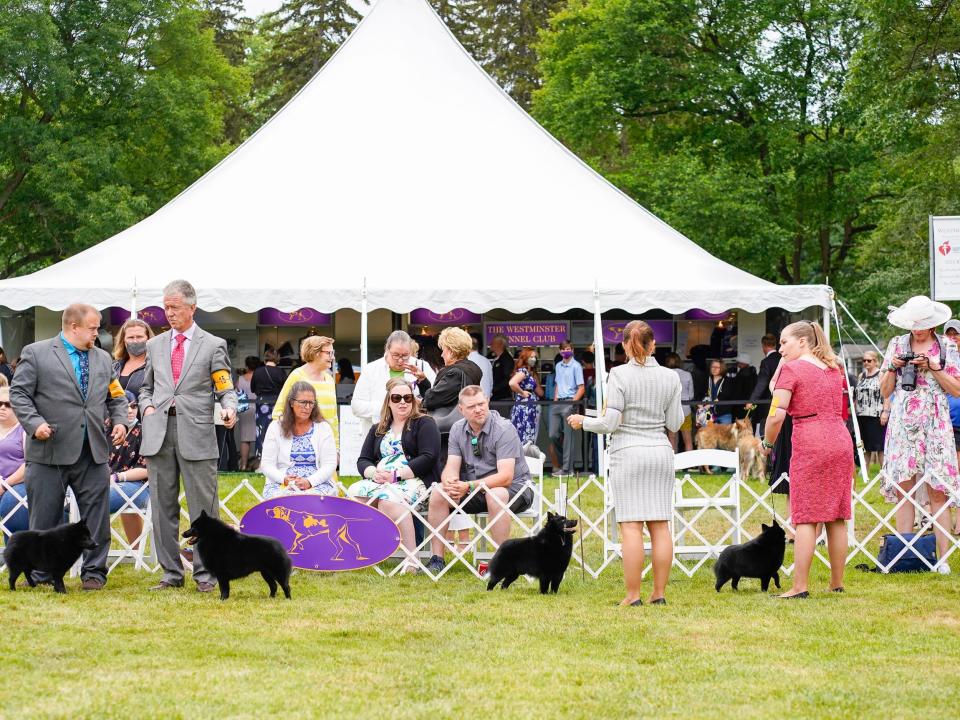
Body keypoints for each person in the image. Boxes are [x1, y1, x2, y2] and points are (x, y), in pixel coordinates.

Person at [10, 303, 128, 590]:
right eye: (93, 327)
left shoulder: (102, 359)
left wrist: (121, 421)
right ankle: (40, 575)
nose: (98, 333)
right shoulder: (36, 353)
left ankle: (94, 573)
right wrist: (34, 423)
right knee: (45, 517)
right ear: (73, 327)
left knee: (96, 518)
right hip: (49, 450)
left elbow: (117, 397)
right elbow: (19, 393)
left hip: (93, 452)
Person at [567, 321, 683, 606]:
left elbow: (610, 423)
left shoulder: (617, 375)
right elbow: (675, 423)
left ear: (623, 346)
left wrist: (584, 422)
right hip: (659, 451)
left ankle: (633, 595)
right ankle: (659, 594)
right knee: (660, 525)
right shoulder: (671, 377)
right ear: (653, 344)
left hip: (628, 453)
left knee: (631, 527)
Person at [139, 279, 237, 592]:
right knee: (162, 506)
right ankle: (170, 573)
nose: (168, 313)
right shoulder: (154, 345)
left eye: (175, 307)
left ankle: (206, 574)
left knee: (204, 510)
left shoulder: (213, 345)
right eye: (165, 307)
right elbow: (145, 387)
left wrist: (229, 409)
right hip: (159, 433)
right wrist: (147, 407)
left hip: (197, 434)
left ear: (192, 308)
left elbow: (225, 387)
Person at [760, 320, 854, 597]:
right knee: (837, 516)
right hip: (840, 438)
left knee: (806, 517)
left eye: (784, 342)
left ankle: (799, 586)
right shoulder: (833, 368)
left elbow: (776, 413)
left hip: (811, 440)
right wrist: (784, 360)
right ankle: (836, 582)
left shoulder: (792, 368)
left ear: (802, 341)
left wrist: (767, 442)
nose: (780, 349)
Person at [879, 296, 960, 571]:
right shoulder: (896, 344)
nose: (919, 328)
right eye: (914, 323)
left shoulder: (947, 346)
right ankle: (906, 555)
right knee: (905, 489)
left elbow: (957, 389)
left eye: (924, 323)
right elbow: (885, 390)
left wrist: (933, 367)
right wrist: (894, 366)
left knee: (938, 492)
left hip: (936, 420)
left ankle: (944, 559)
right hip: (903, 419)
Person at [424, 386, 534, 574]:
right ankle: (437, 559)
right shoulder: (457, 429)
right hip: (476, 488)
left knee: (496, 494)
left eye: (481, 404)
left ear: (488, 401)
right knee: (439, 492)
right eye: (472, 406)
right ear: (461, 410)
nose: (478, 409)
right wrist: (451, 482)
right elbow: (451, 465)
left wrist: (468, 486)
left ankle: (504, 562)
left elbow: (505, 477)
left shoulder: (503, 428)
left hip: (516, 489)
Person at [350, 377, 441, 571]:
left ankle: (412, 559)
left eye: (407, 398)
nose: (402, 402)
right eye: (397, 398)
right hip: (382, 479)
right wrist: (373, 473)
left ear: (414, 401)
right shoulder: (378, 428)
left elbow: (429, 456)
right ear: (388, 402)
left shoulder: (425, 423)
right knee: (355, 495)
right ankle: (362, 553)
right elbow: (363, 459)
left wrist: (396, 475)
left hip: (414, 479)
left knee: (388, 500)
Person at [352, 330, 437, 439]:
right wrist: (388, 407)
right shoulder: (371, 369)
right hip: (378, 437)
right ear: (387, 349)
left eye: (405, 355)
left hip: (414, 436)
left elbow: (435, 400)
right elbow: (356, 406)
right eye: (396, 355)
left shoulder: (422, 366)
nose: (401, 360)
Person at [260, 381, 337, 499]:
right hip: (282, 482)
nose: (307, 407)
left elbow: (330, 464)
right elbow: (266, 464)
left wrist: (310, 482)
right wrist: (284, 479)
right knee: (283, 499)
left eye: (311, 403)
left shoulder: (323, 427)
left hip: (317, 482)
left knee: (310, 499)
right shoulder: (275, 426)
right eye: (303, 402)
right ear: (291, 402)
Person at [271, 336, 339, 448]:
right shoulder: (297, 376)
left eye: (333, 353)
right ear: (315, 353)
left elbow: (334, 418)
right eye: (329, 353)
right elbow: (278, 412)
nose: (333, 357)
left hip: (326, 444)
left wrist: (336, 448)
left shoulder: (329, 379)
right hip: (300, 446)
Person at [107, 391, 149, 546]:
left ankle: (96, 550)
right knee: (70, 497)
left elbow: (148, 469)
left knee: (95, 500)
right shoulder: (106, 428)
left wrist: (117, 477)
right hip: (105, 483)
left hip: (140, 487)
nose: (131, 411)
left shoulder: (146, 430)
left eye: (134, 406)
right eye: (126, 407)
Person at [421, 327, 483, 428]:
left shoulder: (455, 373)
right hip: (466, 425)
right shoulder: (472, 368)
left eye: (443, 350)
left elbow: (432, 399)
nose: (441, 355)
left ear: (451, 352)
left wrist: (420, 401)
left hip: (450, 430)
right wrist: (423, 381)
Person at [547, 341, 584, 477]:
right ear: (560, 350)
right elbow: (557, 384)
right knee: (553, 434)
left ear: (572, 349)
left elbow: (581, 387)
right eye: (563, 349)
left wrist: (573, 403)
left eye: (568, 349)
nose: (565, 351)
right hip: (558, 403)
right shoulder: (558, 366)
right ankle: (565, 463)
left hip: (569, 401)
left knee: (569, 437)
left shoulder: (576, 366)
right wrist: (555, 400)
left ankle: (568, 469)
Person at [0, 385, 28, 534]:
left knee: (11, 502)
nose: (2, 408)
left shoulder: (25, 430)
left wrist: (4, 486)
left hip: (18, 484)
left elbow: (28, 465)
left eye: (8, 404)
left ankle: (16, 551)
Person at [854, 350, 887, 468]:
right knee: (864, 447)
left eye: (869, 360)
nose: (866, 363)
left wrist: (885, 411)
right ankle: (865, 473)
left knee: (879, 447)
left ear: (876, 361)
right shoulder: (861, 376)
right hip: (862, 415)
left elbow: (886, 394)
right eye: (864, 360)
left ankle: (884, 474)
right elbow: (857, 395)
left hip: (877, 415)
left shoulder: (881, 374)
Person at [252, 349, 285, 459]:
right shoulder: (281, 372)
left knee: (261, 430)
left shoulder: (258, 371)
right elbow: (285, 390)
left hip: (261, 403)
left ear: (265, 357)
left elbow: (253, 388)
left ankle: (261, 458)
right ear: (277, 358)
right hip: (277, 403)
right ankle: (276, 457)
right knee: (277, 431)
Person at [745, 334, 781, 434]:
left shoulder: (766, 362)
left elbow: (762, 383)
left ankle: (766, 449)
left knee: (766, 430)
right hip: (783, 401)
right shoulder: (783, 359)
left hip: (768, 403)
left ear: (764, 346)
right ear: (775, 345)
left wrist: (752, 400)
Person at [509, 346, 543, 445]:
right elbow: (512, 383)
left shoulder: (529, 372)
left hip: (530, 407)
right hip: (524, 408)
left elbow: (540, 392)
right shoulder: (523, 371)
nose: (534, 359)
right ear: (525, 358)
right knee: (524, 434)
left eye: (535, 357)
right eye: (531, 357)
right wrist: (522, 392)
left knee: (528, 435)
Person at [112, 318, 154, 398]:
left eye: (139, 337)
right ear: (124, 341)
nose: (135, 341)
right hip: (118, 410)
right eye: (131, 337)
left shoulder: (155, 366)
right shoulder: (115, 366)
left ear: (148, 338)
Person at [664, 352, 694, 452]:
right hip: (685, 409)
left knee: (672, 437)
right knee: (688, 439)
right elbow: (691, 395)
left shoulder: (664, 375)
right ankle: (690, 464)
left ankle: (673, 464)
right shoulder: (687, 374)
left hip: (671, 410)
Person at [236, 356, 260, 471]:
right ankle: (259, 465)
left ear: (247, 366)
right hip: (259, 408)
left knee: (245, 439)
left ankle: (243, 465)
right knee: (261, 437)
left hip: (245, 409)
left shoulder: (240, 379)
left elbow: (237, 393)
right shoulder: (260, 378)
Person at [701, 359, 735, 425]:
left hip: (724, 414)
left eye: (717, 367)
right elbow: (700, 394)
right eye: (712, 367)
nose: (714, 369)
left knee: (725, 435)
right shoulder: (706, 379)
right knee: (709, 434)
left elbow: (725, 395)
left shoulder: (728, 380)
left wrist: (710, 404)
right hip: (708, 413)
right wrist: (700, 406)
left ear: (722, 368)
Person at [489, 334, 514, 403]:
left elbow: (508, 378)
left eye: (493, 342)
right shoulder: (496, 358)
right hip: (496, 397)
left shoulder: (506, 359)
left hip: (503, 398)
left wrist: (493, 388)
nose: (491, 344)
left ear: (500, 344)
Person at [731, 353, 757, 420]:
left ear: (743, 363)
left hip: (741, 406)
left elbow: (737, 391)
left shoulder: (741, 375)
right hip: (751, 403)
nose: (738, 364)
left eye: (739, 363)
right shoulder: (753, 373)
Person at [468, 336, 493, 400]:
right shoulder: (486, 361)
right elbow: (491, 382)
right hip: (485, 398)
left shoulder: (466, 361)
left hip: (471, 399)